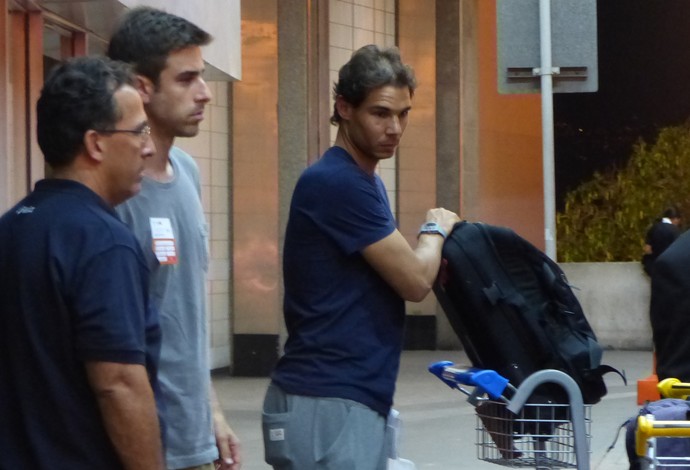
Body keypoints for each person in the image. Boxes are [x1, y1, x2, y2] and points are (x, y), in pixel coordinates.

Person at [261, 44, 460, 470]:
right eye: (380, 113)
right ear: (344, 108)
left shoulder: (363, 182)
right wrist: (435, 228)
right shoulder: (337, 182)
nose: (395, 128)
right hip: (326, 398)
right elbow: (414, 281)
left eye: (403, 114)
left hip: (344, 395)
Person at [0, 56, 163, 469]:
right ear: (95, 143)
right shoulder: (104, 244)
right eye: (140, 130)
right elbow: (119, 384)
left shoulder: (11, 228)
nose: (149, 146)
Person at [107, 7, 241, 470]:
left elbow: (185, 311)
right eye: (186, 80)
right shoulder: (115, 195)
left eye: (202, 77)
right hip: (147, 446)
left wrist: (213, 414)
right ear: (142, 88)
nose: (205, 94)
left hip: (196, 438)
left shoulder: (188, 172)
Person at [642, 206, 682, 276]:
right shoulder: (675, 231)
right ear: (676, 219)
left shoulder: (654, 227)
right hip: (669, 270)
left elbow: (647, 249)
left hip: (653, 267)